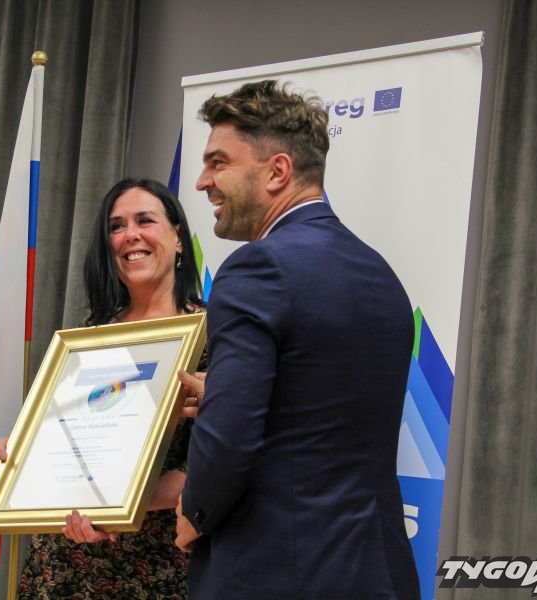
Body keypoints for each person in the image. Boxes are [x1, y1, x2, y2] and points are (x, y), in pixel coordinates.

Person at [174, 80, 421, 599]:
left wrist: (195, 511)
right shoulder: (381, 274)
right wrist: (221, 390)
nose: (201, 182)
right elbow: (323, 408)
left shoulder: (255, 268)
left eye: (218, 162)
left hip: (275, 571)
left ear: (277, 171)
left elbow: (231, 436)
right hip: (377, 571)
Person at [15, 178, 206, 599]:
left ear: (178, 237)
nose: (130, 235)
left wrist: (112, 502)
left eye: (145, 220)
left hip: (158, 567)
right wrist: (25, 458)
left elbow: (217, 463)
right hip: (64, 562)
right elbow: (60, 442)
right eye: (117, 226)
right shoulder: (86, 337)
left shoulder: (214, 336)